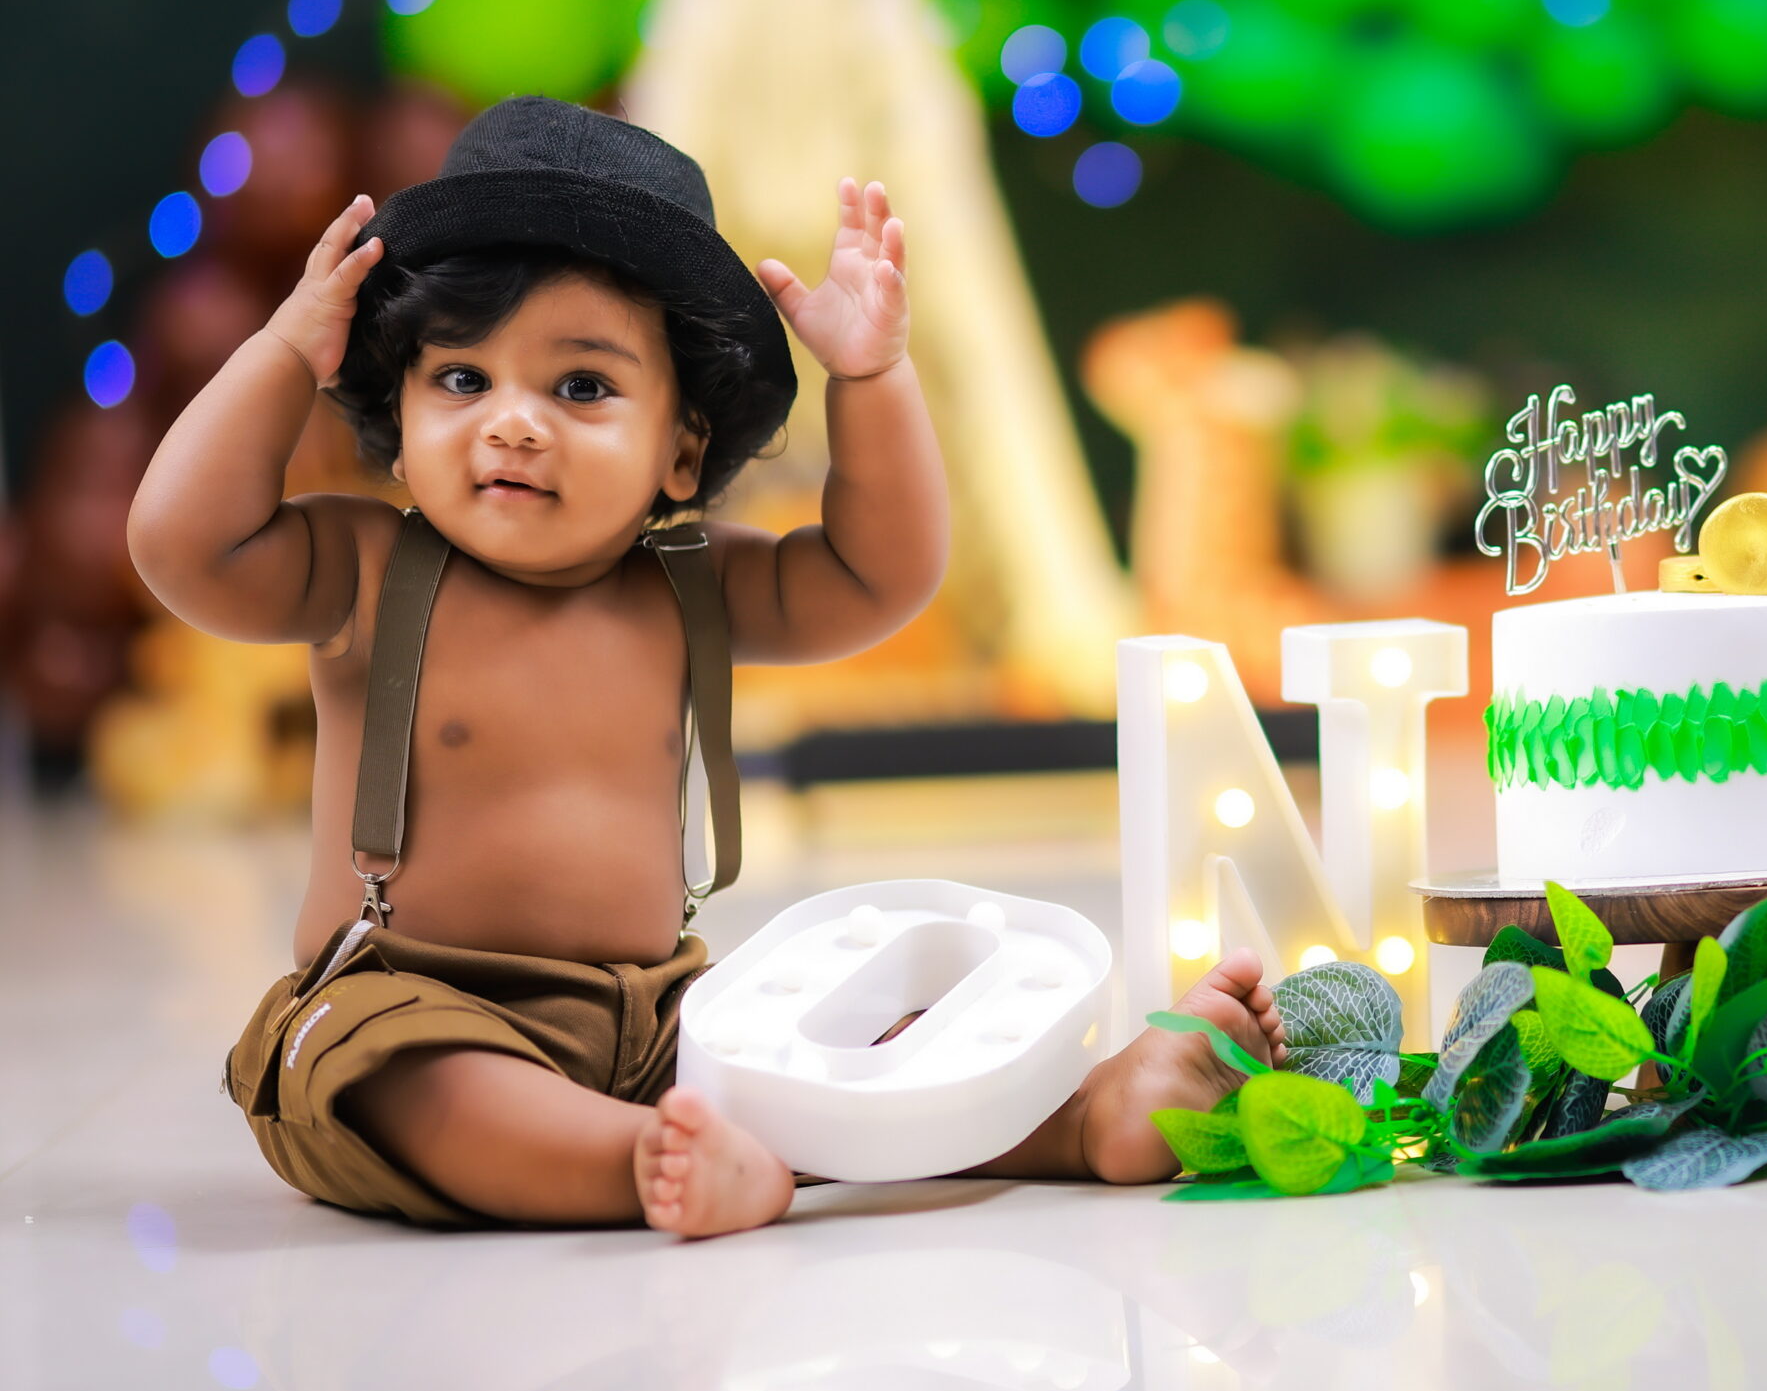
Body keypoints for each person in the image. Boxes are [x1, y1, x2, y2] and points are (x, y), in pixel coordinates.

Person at [127, 97, 1283, 1236]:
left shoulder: (690, 587)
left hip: (658, 1020)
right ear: (399, 401)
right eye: (462, 379)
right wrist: (284, 351)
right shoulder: (363, 570)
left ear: (682, 449)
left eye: (581, 386)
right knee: (414, 1080)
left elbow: (880, 572)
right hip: (411, 994)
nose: (513, 422)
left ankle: (1078, 1119)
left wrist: (870, 380)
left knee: (859, 1051)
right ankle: (643, 1159)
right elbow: (179, 543)